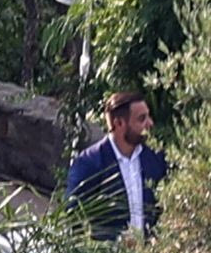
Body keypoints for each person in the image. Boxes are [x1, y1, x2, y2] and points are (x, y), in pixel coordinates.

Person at [65, 90, 169, 241]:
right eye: (142, 119)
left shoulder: (155, 157)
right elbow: (73, 216)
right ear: (119, 123)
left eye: (148, 116)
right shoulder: (90, 163)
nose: (150, 123)